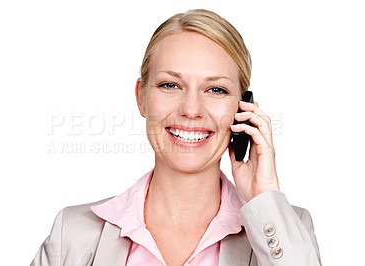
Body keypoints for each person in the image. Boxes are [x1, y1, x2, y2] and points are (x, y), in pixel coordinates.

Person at [31, 9, 321, 266]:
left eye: (216, 89)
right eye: (170, 85)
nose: (191, 109)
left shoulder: (286, 232)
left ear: (242, 108)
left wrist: (264, 197)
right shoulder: (72, 233)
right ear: (141, 98)